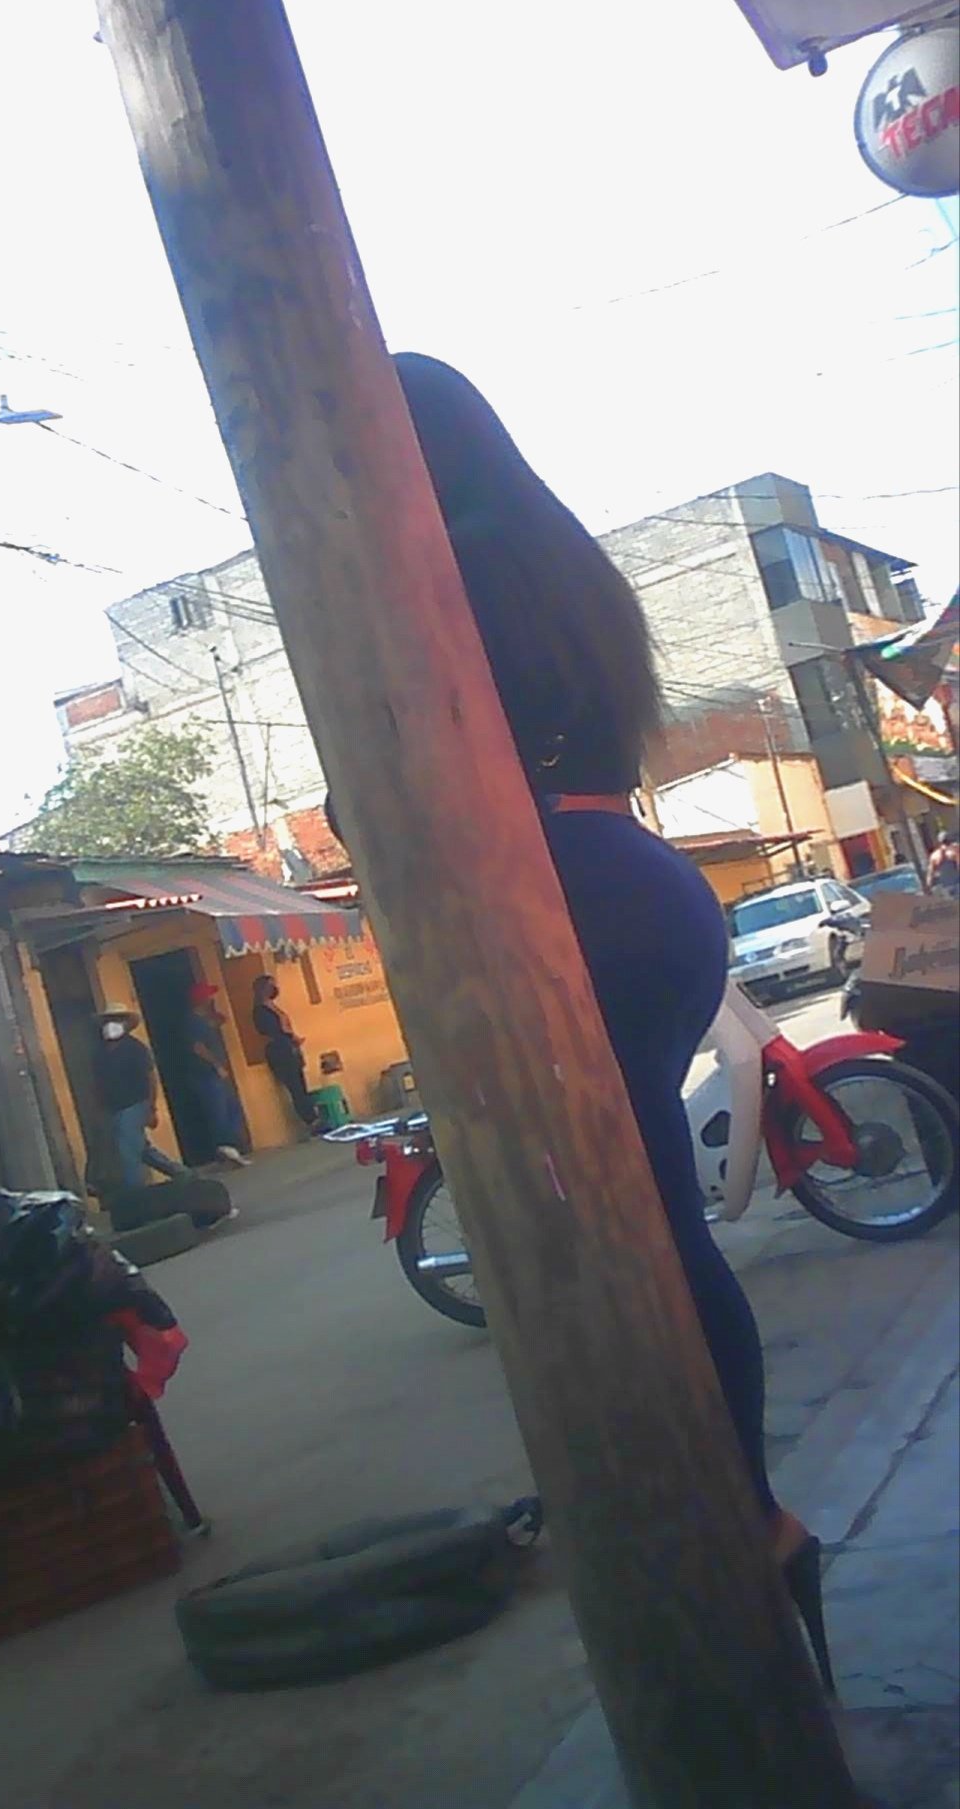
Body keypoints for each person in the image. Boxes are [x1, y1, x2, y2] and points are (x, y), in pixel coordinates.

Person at [343, 350, 832, 1685]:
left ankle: (745, 1527)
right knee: (660, 1225)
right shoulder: (559, 564)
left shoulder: (448, 570)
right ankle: (749, 1520)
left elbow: (420, 767)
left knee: (638, 1237)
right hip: (636, 882)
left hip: (570, 903)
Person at [93, 1005, 186, 1192]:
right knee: (140, 1148)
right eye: (109, 1020)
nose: (112, 1024)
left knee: (127, 1151)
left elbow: (151, 1078)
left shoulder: (136, 1048)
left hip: (135, 1104)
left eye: (118, 1019)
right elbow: (98, 1080)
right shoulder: (101, 1052)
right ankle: (181, 1173)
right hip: (113, 1107)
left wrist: (151, 1108)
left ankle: (136, 1192)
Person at [184, 982, 252, 1167]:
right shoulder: (193, 1022)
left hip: (212, 1074)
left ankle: (231, 1148)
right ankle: (227, 1148)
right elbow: (198, 1047)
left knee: (230, 1109)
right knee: (219, 1113)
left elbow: (221, 1020)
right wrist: (216, 1065)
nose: (211, 999)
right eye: (208, 996)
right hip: (206, 1074)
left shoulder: (204, 1020)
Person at [252, 973, 320, 1131]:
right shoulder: (260, 1011)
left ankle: (313, 1117)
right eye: (271, 985)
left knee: (301, 1085)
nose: (274, 988)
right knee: (295, 1088)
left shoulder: (273, 1006)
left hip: (290, 1048)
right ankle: (311, 1121)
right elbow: (274, 1030)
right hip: (280, 1052)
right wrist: (288, 1034)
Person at [927, 829, 960, 896]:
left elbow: (930, 873)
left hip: (944, 886)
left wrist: (929, 887)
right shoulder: (954, 851)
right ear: (949, 840)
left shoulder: (934, 856)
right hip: (957, 883)